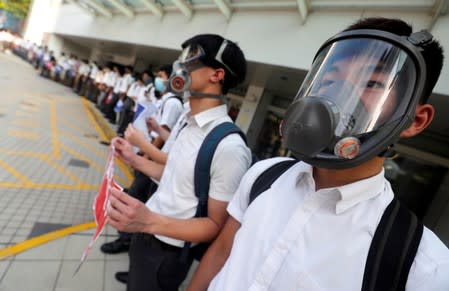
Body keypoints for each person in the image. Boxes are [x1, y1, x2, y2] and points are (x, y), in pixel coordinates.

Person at [187, 17, 449, 291]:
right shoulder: (264, 174)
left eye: (372, 83)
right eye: (330, 79)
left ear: (415, 120)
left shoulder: (423, 269)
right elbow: (221, 252)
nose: (337, 96)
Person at [106, 34, 252, 291]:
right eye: (182, 59)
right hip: (146, 234)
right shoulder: (188, 121)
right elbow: (172, 174)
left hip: (167, 251)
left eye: (192, 60)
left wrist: (148, 220)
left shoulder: (230, 147)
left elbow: (214, 226)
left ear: (217, 75)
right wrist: (133, 159)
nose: (180, 67)